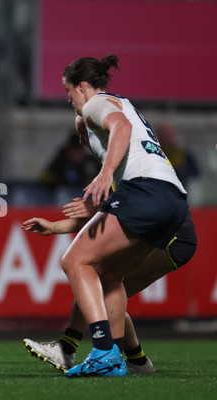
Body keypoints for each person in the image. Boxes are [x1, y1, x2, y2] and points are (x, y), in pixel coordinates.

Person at [55, 54, 189, 378]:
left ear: (83, 86)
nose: (69, 99)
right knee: (109, 275)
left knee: (74, 262)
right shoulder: (122, 103)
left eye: (69, 91)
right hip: (174, 200)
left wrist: (105, 173)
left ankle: (102, 350)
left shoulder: (95, 104)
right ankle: (122, 358)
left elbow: (121, 127)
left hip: (144, 192)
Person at [22, 197, 197, 374]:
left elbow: (118, 214)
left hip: (169, 237)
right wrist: (55, 226)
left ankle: (69, 348)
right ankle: (137, 361)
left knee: (97, 283)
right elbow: (108, 217)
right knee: (99, 290)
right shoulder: (132, 178)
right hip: (167, 234)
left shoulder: (132, 175)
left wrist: (102, 206)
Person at [155, 121, 200, 188]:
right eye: (163, 136)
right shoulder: (154, 155)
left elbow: (195, 175)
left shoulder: (184, 154)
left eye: (168, 135)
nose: (166, 139)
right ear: (158, 137)